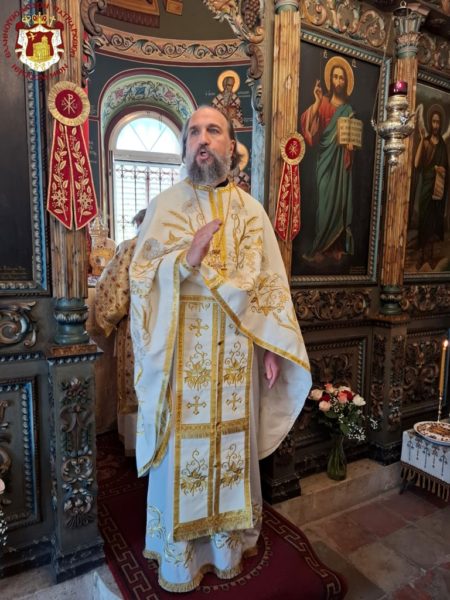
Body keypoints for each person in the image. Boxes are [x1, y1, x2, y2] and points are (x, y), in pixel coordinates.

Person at [129, 106, 311, 592]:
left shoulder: (251, 212)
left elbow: (268, 285)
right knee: (182, 456)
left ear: (232, 146)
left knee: (233, 450)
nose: (203, 139)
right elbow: (141, 279)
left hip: (236, 359)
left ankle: (227, 546)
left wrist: (271, 346)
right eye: (193, 132)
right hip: (180, 359)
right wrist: (184, 261)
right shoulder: (166, 206)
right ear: (185, 147)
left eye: (214, 131)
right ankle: (181, 557)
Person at [94, 208, 146, 455]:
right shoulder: (176, 245)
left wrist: (107, 319)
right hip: (169, 324)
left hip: (136, 324)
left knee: (135, 380)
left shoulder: (130, 247)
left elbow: (113, 290)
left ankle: (136, 444)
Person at [300, 56, 355, 262]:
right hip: (324, 161)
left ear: (346, 82)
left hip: (340, 166)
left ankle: (336, 248)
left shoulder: (348, 111)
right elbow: (308, 128)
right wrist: (316, 102)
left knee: (339, 203)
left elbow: (352, 141)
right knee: (324, 205)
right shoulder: (322, 102)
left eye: (342, 78)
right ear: (330, 79)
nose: (338, 81)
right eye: (335, 77)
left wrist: (350, 148)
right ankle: (320, 247)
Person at [413, 105, 448, 269]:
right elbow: (416, 164)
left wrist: (442, 170)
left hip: (438, 189)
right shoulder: (426, 142)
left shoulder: (442, 145)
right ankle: (422, 257)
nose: (435, 125)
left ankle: (432, 257)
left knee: (434, 223)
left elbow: (446, 168)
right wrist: (421, 140)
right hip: (427, 188)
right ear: (430, 122)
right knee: (424, 221)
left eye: (438, 122)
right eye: (433, 122)